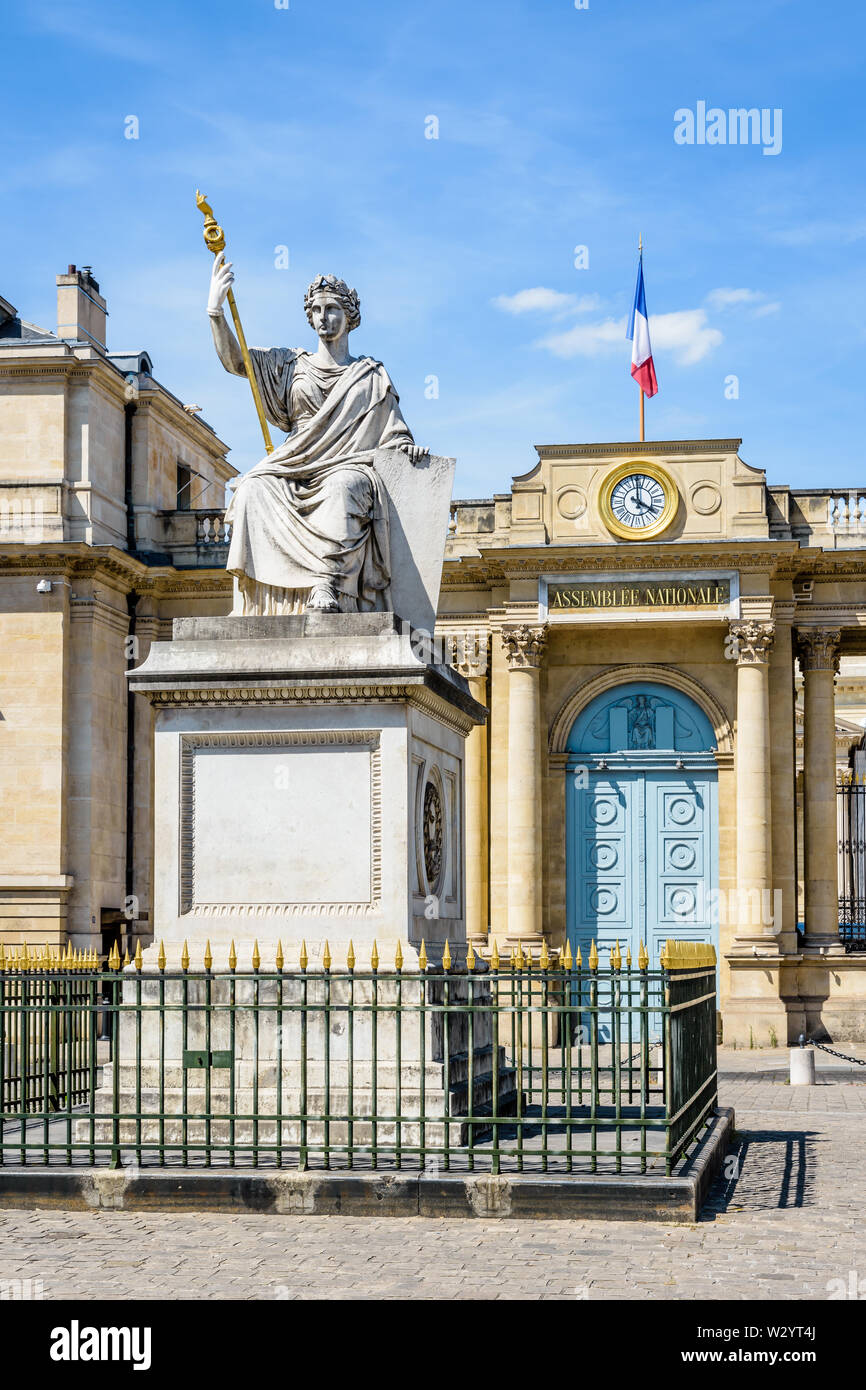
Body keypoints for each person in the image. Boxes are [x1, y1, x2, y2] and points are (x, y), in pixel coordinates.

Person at [208, 255, 427, 614]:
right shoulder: (290, 363)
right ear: (309, 316)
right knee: (252, 488)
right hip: (295, 463)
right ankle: (256, 598)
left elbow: (393, 434)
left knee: (344, 487)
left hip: (348, 463)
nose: (324, 318)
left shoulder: (370, 375)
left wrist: (408, 450)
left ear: (350, 316)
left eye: (333, 309)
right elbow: (237, 362)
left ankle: (327, 584)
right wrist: (215, 312)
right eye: (317, 310)